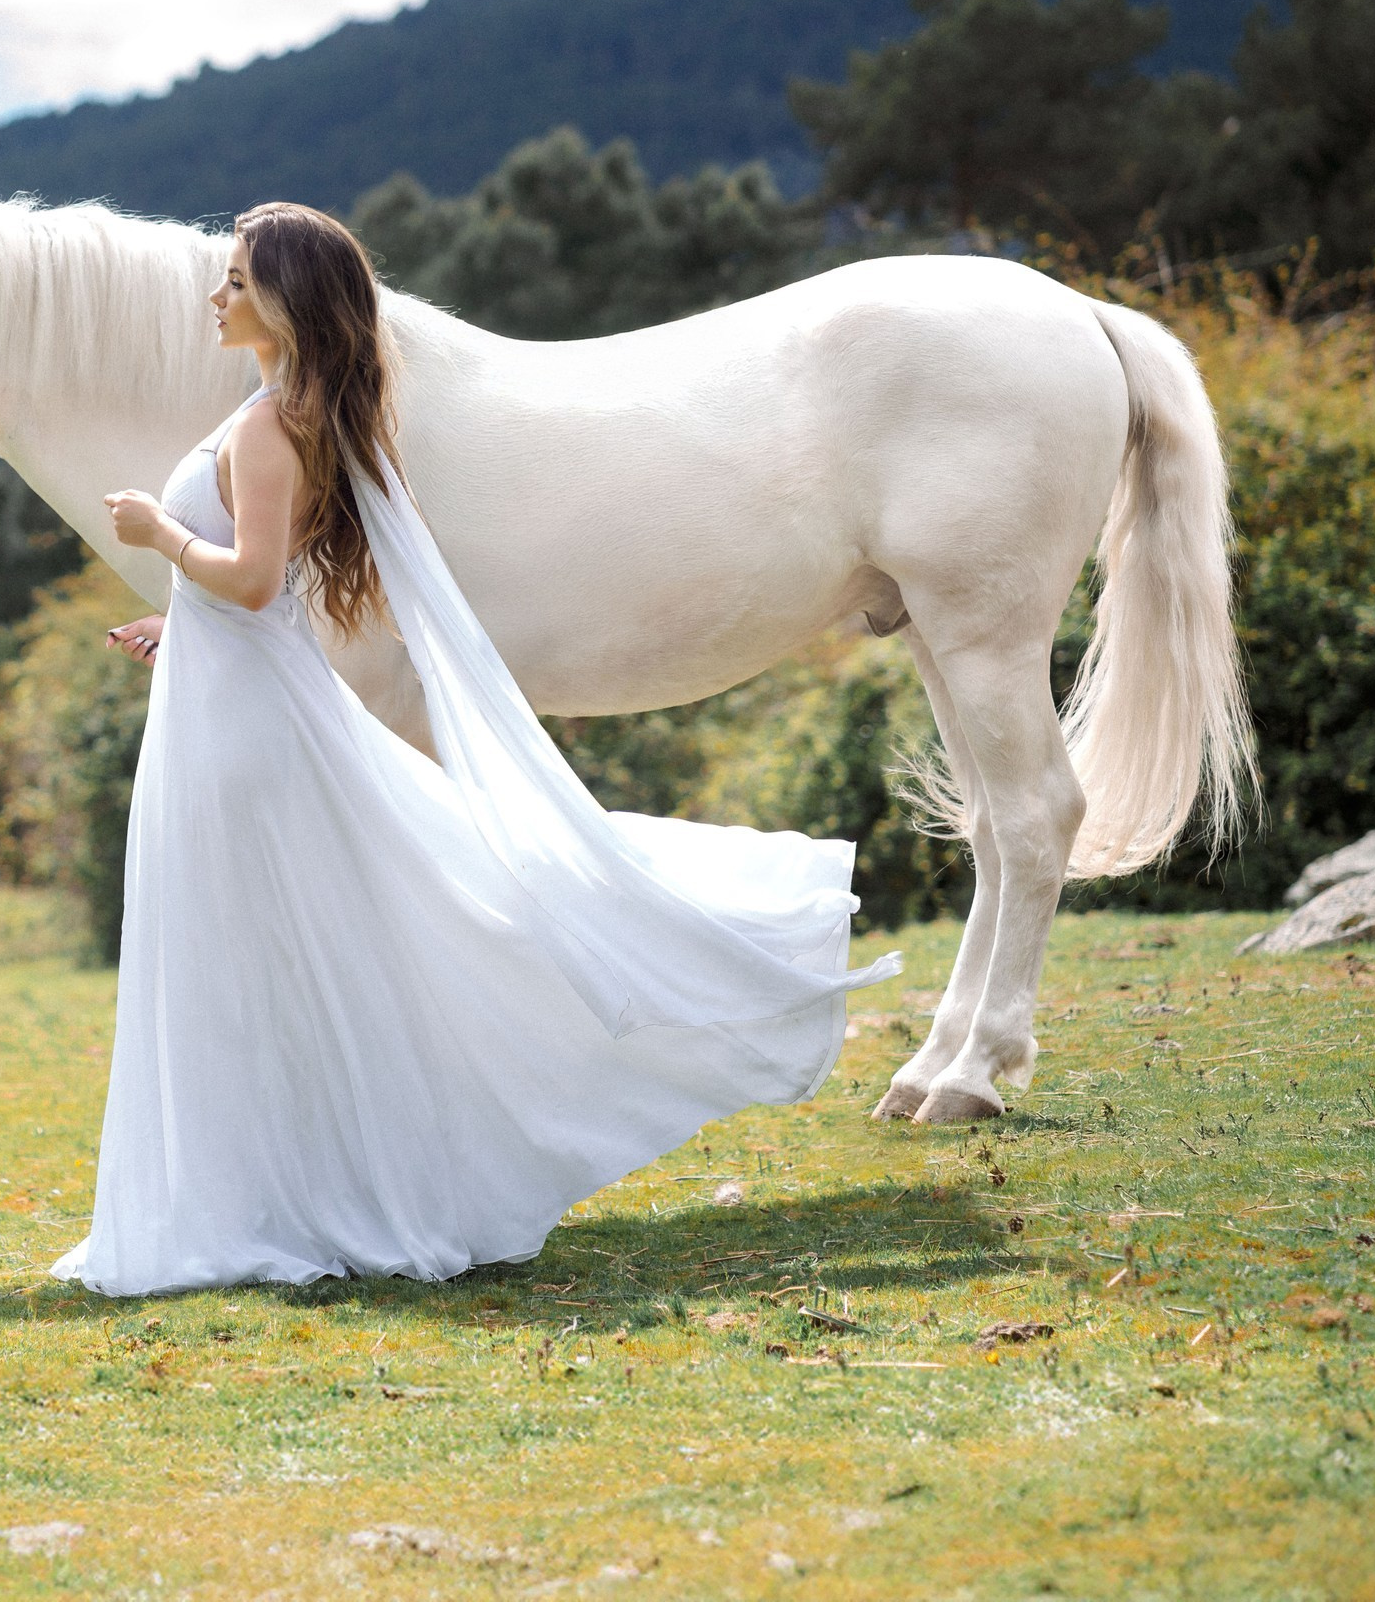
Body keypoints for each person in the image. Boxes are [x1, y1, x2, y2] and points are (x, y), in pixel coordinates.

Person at [55, 203, 898, 1297]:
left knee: (255, 949)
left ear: (279, 302)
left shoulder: (269, 424)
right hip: (232, 705)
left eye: (233, 281)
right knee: (259, 955)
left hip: (246, 732)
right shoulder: (281, 415)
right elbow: (267, 592)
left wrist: (155, 534)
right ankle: (269, 1189)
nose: (215, 297)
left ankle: (275, 1197)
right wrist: (182, 616)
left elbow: (256, 577)